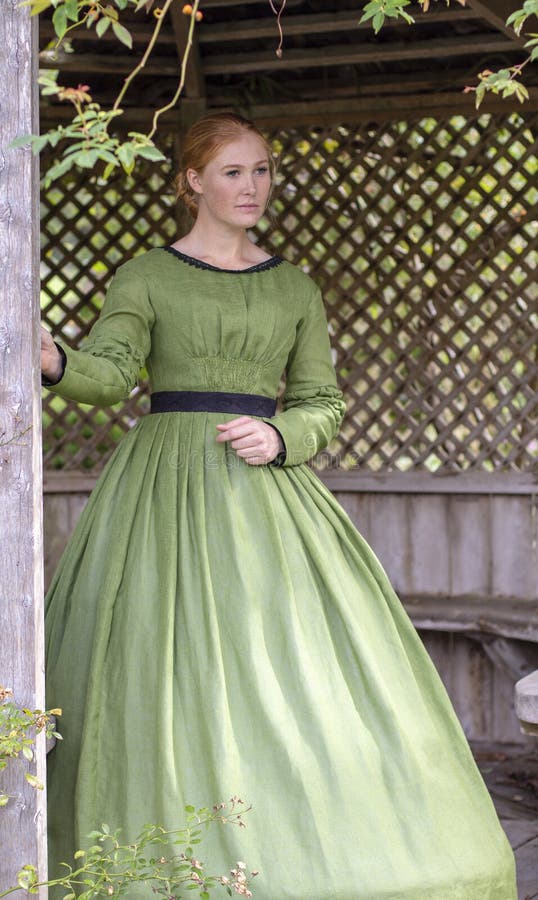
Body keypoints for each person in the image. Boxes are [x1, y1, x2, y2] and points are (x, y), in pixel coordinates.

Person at [42, 112, 517, 899]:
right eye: (232, 172)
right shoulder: (147, 274)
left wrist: (282, 435)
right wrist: (57, 359)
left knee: (291, 670)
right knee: (164, 665)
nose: (251, 186)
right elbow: (111, 374)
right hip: (160, 496)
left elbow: (323, 401)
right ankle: (158, 855)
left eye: (260, 170)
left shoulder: (293, 285)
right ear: (192, 180)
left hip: (267, 494)